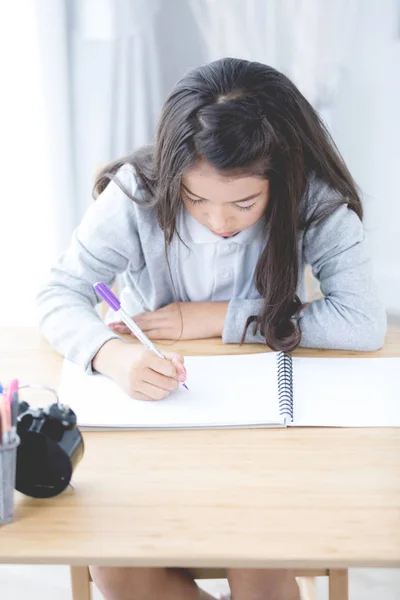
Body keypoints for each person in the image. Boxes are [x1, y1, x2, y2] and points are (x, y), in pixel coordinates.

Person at [36, 57, 386, 600]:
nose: (219, 222)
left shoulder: (312, 200)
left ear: (282, 177)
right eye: (195, 200)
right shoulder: (138, 193)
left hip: (266, 434)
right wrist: (111, 354)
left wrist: (217, 318)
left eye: (245, 203)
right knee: (118, 568)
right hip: (155, 421)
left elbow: (362, 322)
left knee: (259, 564)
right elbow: (58, 292)